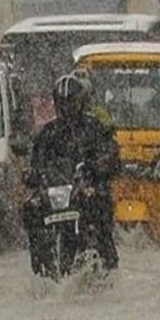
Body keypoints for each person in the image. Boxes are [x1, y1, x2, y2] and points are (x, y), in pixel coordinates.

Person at [23, 73, 121, 274]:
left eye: (72, 102)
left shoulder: (94, 128)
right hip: (56, 192)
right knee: (30, 208)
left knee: (100, 203)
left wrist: (98, 167)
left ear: (81, 102)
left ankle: (107, 259)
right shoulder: (47, 133)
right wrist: (32, 175)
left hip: (86, 187)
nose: (68, 107)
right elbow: (36, 162)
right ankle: (40, 262)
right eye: (63, 103)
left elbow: (111, 155)